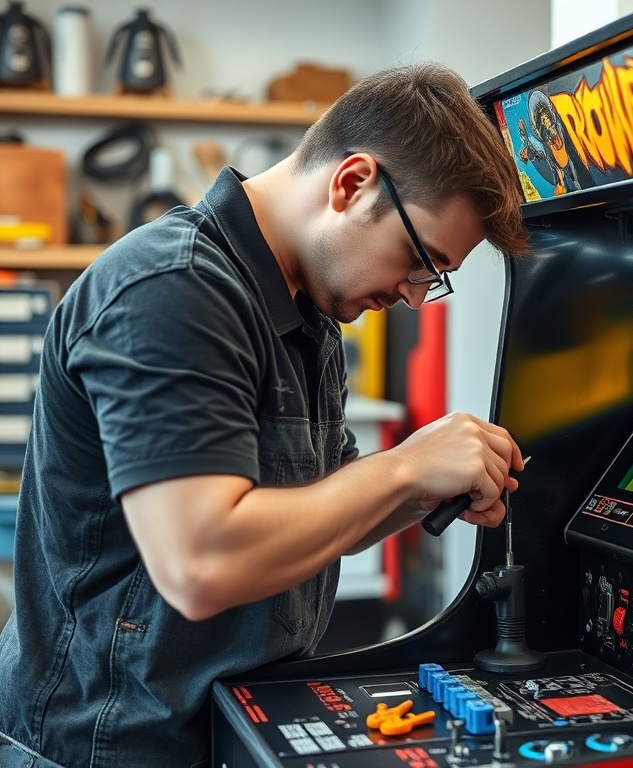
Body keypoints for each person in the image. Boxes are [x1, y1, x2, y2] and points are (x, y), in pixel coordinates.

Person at [0, 62, 530, 768]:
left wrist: (428, 485)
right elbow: (201, 562)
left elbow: (320, 518)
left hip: (224, 727)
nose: (411, 297)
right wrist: (406, 466)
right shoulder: (174, 288)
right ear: (352, 183)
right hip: (109, 745)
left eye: (432, 280)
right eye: (416, 260)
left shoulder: (310, 314)